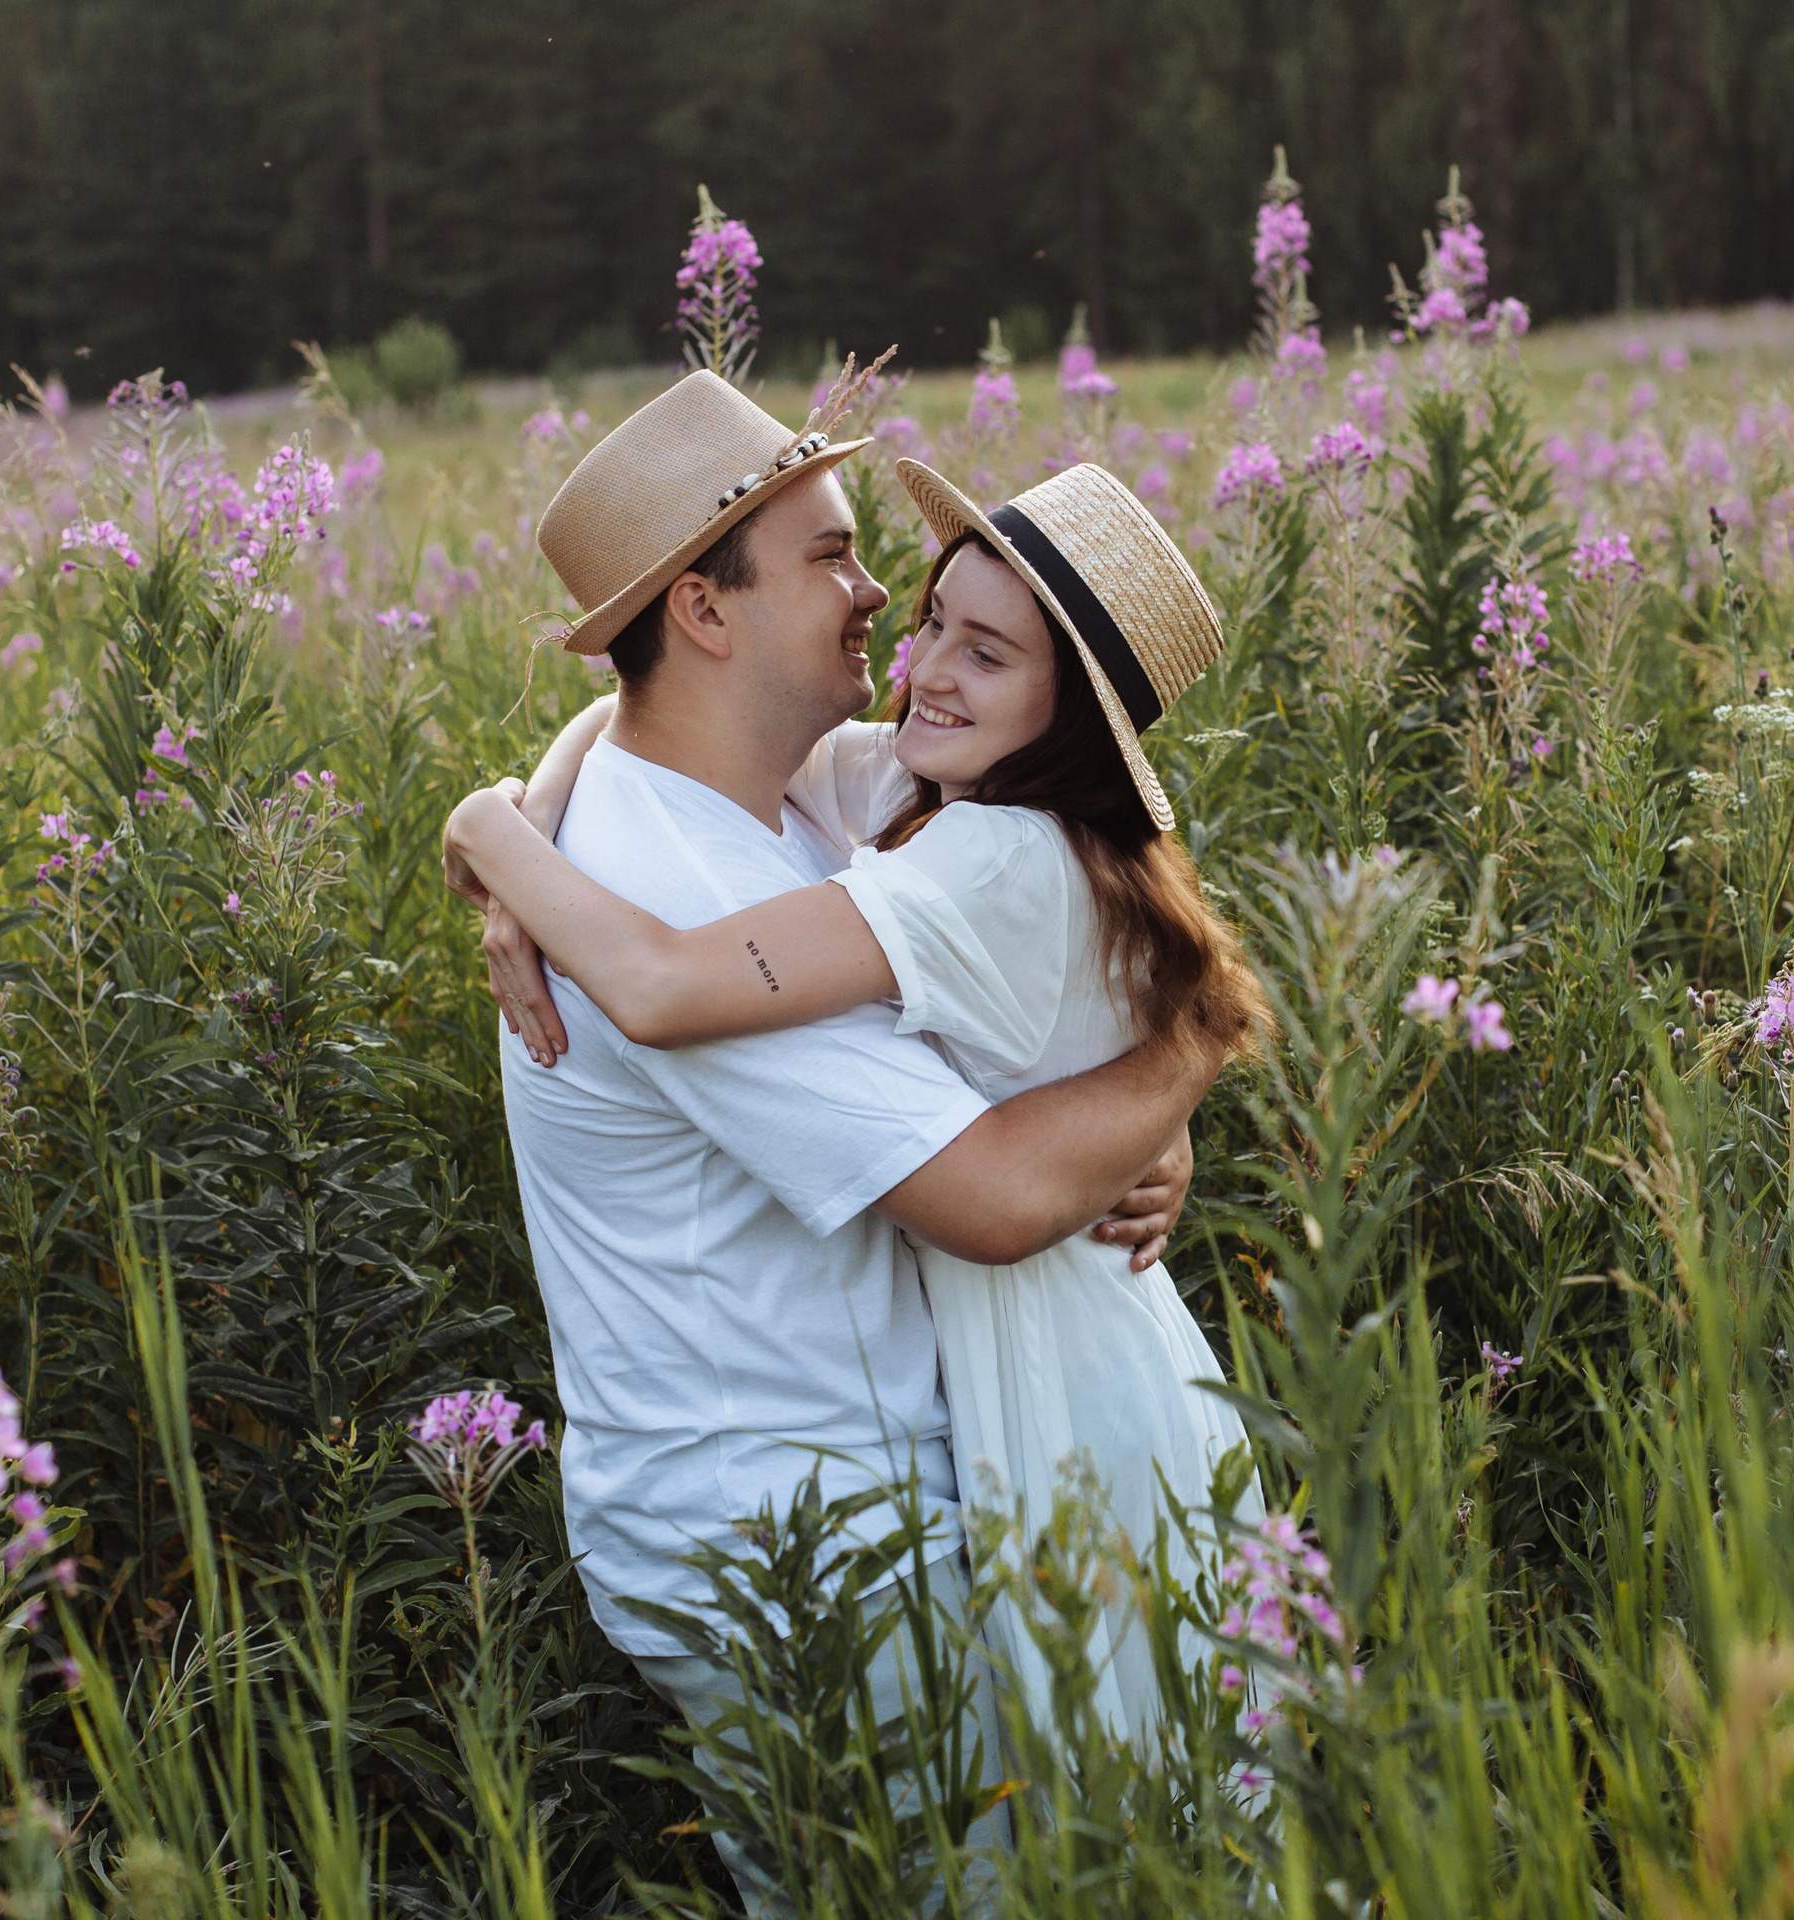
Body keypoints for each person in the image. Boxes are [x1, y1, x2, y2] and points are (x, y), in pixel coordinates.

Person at [461, 370, 1222, 1909]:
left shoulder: (799, 785)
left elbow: (627, 718)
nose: (884, 598)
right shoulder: (670, 886)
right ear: (707, 611)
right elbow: (1001, 1197)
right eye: (834, 555)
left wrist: (499, 818)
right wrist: (1189, 1052)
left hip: (858, 1495)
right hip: (785, 1538)